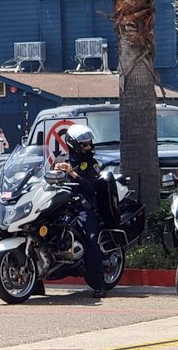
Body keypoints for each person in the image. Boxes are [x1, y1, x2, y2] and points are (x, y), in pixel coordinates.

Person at [53, 124, 107, 298]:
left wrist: (73, 174)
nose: (88, 147)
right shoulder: (61, 158)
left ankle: (99, 284)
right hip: (61, 203)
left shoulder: (91, 162)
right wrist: (54, 172)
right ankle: (37, 280)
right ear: (73, 143)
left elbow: (92, 187)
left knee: (91, 239)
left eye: (89, 143)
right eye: (84, 144)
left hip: (83, 204)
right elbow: (46, 179)